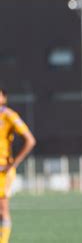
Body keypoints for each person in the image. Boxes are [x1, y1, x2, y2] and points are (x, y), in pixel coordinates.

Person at [0, 88, 36, 243]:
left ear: (4, 98)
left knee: (2, 209)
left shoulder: (9, 116)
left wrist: (13, 164)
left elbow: (30, 140)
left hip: (2, 170)